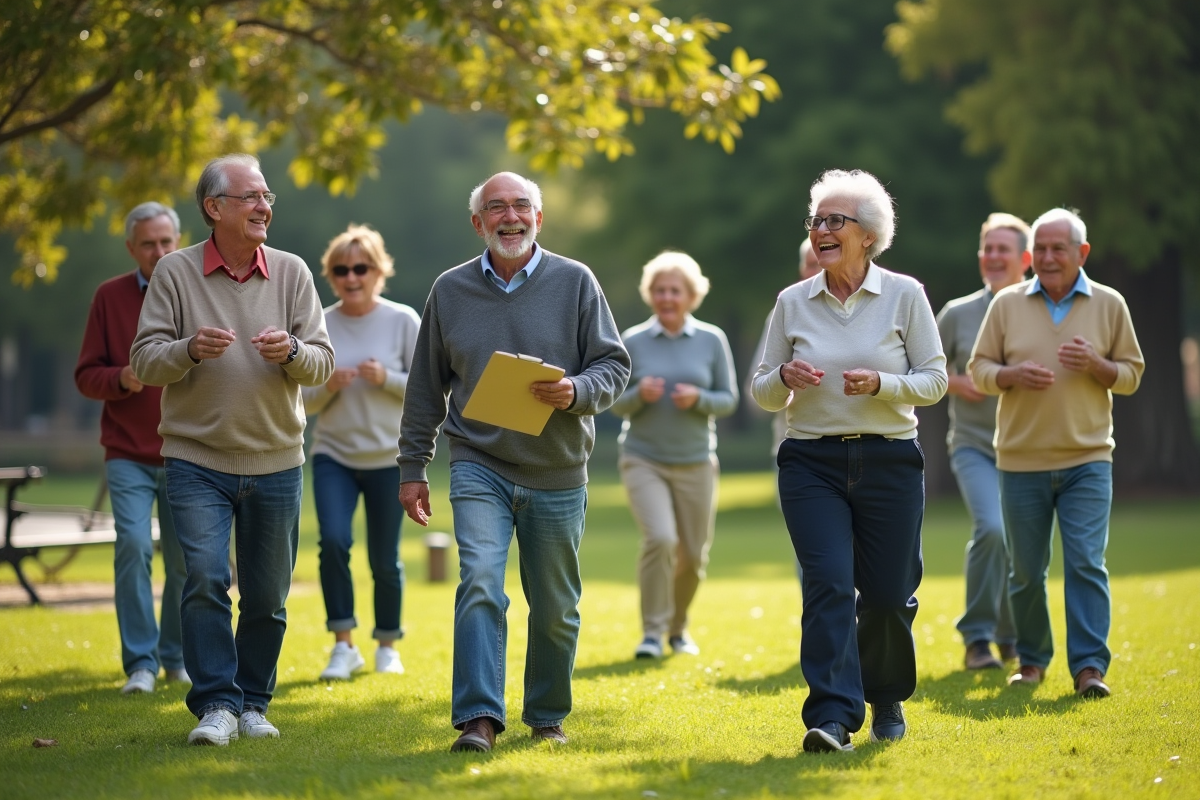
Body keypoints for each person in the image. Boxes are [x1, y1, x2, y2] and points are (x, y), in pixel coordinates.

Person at [398, 171, 630, 753]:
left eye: (522, 206)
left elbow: (614, 365)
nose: (511, 216)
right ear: (478, 223)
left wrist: (575, 391)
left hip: (557, 468)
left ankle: (547, 714)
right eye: (496, 208)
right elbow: (426, 388)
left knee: (555, 607)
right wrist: (412, 467)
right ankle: (479, 718)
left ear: (538, 218)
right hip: (479, 461)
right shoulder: (449, 290)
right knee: (479, 579)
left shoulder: (576, 282)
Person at [131, 154, 334, 745]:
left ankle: (253, 703)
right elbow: (145, 362)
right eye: (250, 197)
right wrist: (189, 349)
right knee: (203, 580)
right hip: (196, 459)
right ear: (214, 208)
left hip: (276, 460)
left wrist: (292, 352)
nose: (264, 207)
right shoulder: (174, 272)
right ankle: (217, 704)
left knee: (268, 596)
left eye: (267, 196)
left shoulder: (293, 273)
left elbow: (322, 365)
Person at [751, 168, 947, 753]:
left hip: (889, 462)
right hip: (811, 464)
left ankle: (886, 696)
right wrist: (783, 377)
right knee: (829, 585)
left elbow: (935, 380)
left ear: (869, 234)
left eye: (836, 220)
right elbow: (760, 388)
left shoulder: (905, 294)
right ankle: (832, 717)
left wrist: (884, 383)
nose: (822, 230)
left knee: (887, 594)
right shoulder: (792, 302)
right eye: (817, 221)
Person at [969, 208, 1143, 698]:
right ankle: (1032, 660)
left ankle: (1089, 667)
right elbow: (979, 370)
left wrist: (1098, 365)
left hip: (1088, 459)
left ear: (1081, 253)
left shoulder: (1109, 304)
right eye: (1040, 249)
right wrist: (1010, 375)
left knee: (1086, 562)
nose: (1046, 257)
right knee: (1025, 572)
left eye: (1057, 249)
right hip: (1020, 461)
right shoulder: (1006, 304)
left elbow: (1132, 375)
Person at [74, 201, 188, 695]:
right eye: (148, 243)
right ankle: (140, 663)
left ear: (178, 242)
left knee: (187, 562)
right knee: (134, 547)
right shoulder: (109, 297)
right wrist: (120, 377)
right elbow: (85, 375)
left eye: (166, 242)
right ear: (131, 248)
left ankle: (175, 657)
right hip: (127, 453)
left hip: (187, 451)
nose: (158, 252)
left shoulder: (196, 292)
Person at [302, 224, 420, 680]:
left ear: (378, 270)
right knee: (333, 542)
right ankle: (343, 644)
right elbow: (302, 402)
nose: (351, 277)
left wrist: (386, 379)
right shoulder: (320, 323)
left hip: (390, 460)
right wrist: (329, 386)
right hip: (334, 455)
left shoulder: (403, 320)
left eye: (360, 268)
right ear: (331, 276)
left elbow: (431, 395)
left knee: (384, 558)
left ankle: (387, 644)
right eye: (340, 270)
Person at [610, 251, 738, 660]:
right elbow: (614, 402)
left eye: (675, 290)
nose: (667, 297)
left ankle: (677, 628)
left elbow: (730, 399)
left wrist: (700, 398)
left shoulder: (711, 340)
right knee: (660, 539)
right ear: (650, 295)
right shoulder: (632, 340)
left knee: (693, 556)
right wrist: (638, 396)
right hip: (643, 458)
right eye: (660, 290)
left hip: (697, 462)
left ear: (691, 295)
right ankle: (651, 632)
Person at [936, 213, 1031, 670]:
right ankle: (977, 638)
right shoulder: (956, 313)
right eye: (987, 249)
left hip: (1028, 447)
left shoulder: (1042, 310)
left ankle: (1010, 637)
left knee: (1017, 539)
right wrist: (958, 383)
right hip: (973, 443)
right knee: (992, 529)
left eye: (1002, 250)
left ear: (1025, 260)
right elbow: (917, 370)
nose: (993, 257)